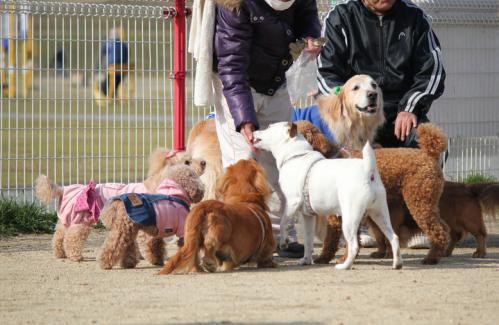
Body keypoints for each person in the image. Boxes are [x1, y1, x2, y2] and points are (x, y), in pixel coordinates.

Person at [317, 0, 446, 247]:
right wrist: (346, 100)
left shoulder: (415, 18)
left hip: (401, 109)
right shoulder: (340, 16)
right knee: (346, 161)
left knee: (429, 152)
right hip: (358, 114)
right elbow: (326, 72)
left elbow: (432, 71)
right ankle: (357, 226)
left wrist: (410, 108)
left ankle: (415, 226)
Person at [212, 0, 322, 258]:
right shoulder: (236, 4)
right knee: (242, 166)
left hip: (277, 83)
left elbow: (307, 15)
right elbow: (231, 64)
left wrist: (310, 36)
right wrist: (244, 119)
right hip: (238, 86)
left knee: (280, 162)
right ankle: (239, 237)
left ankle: (279, 236)